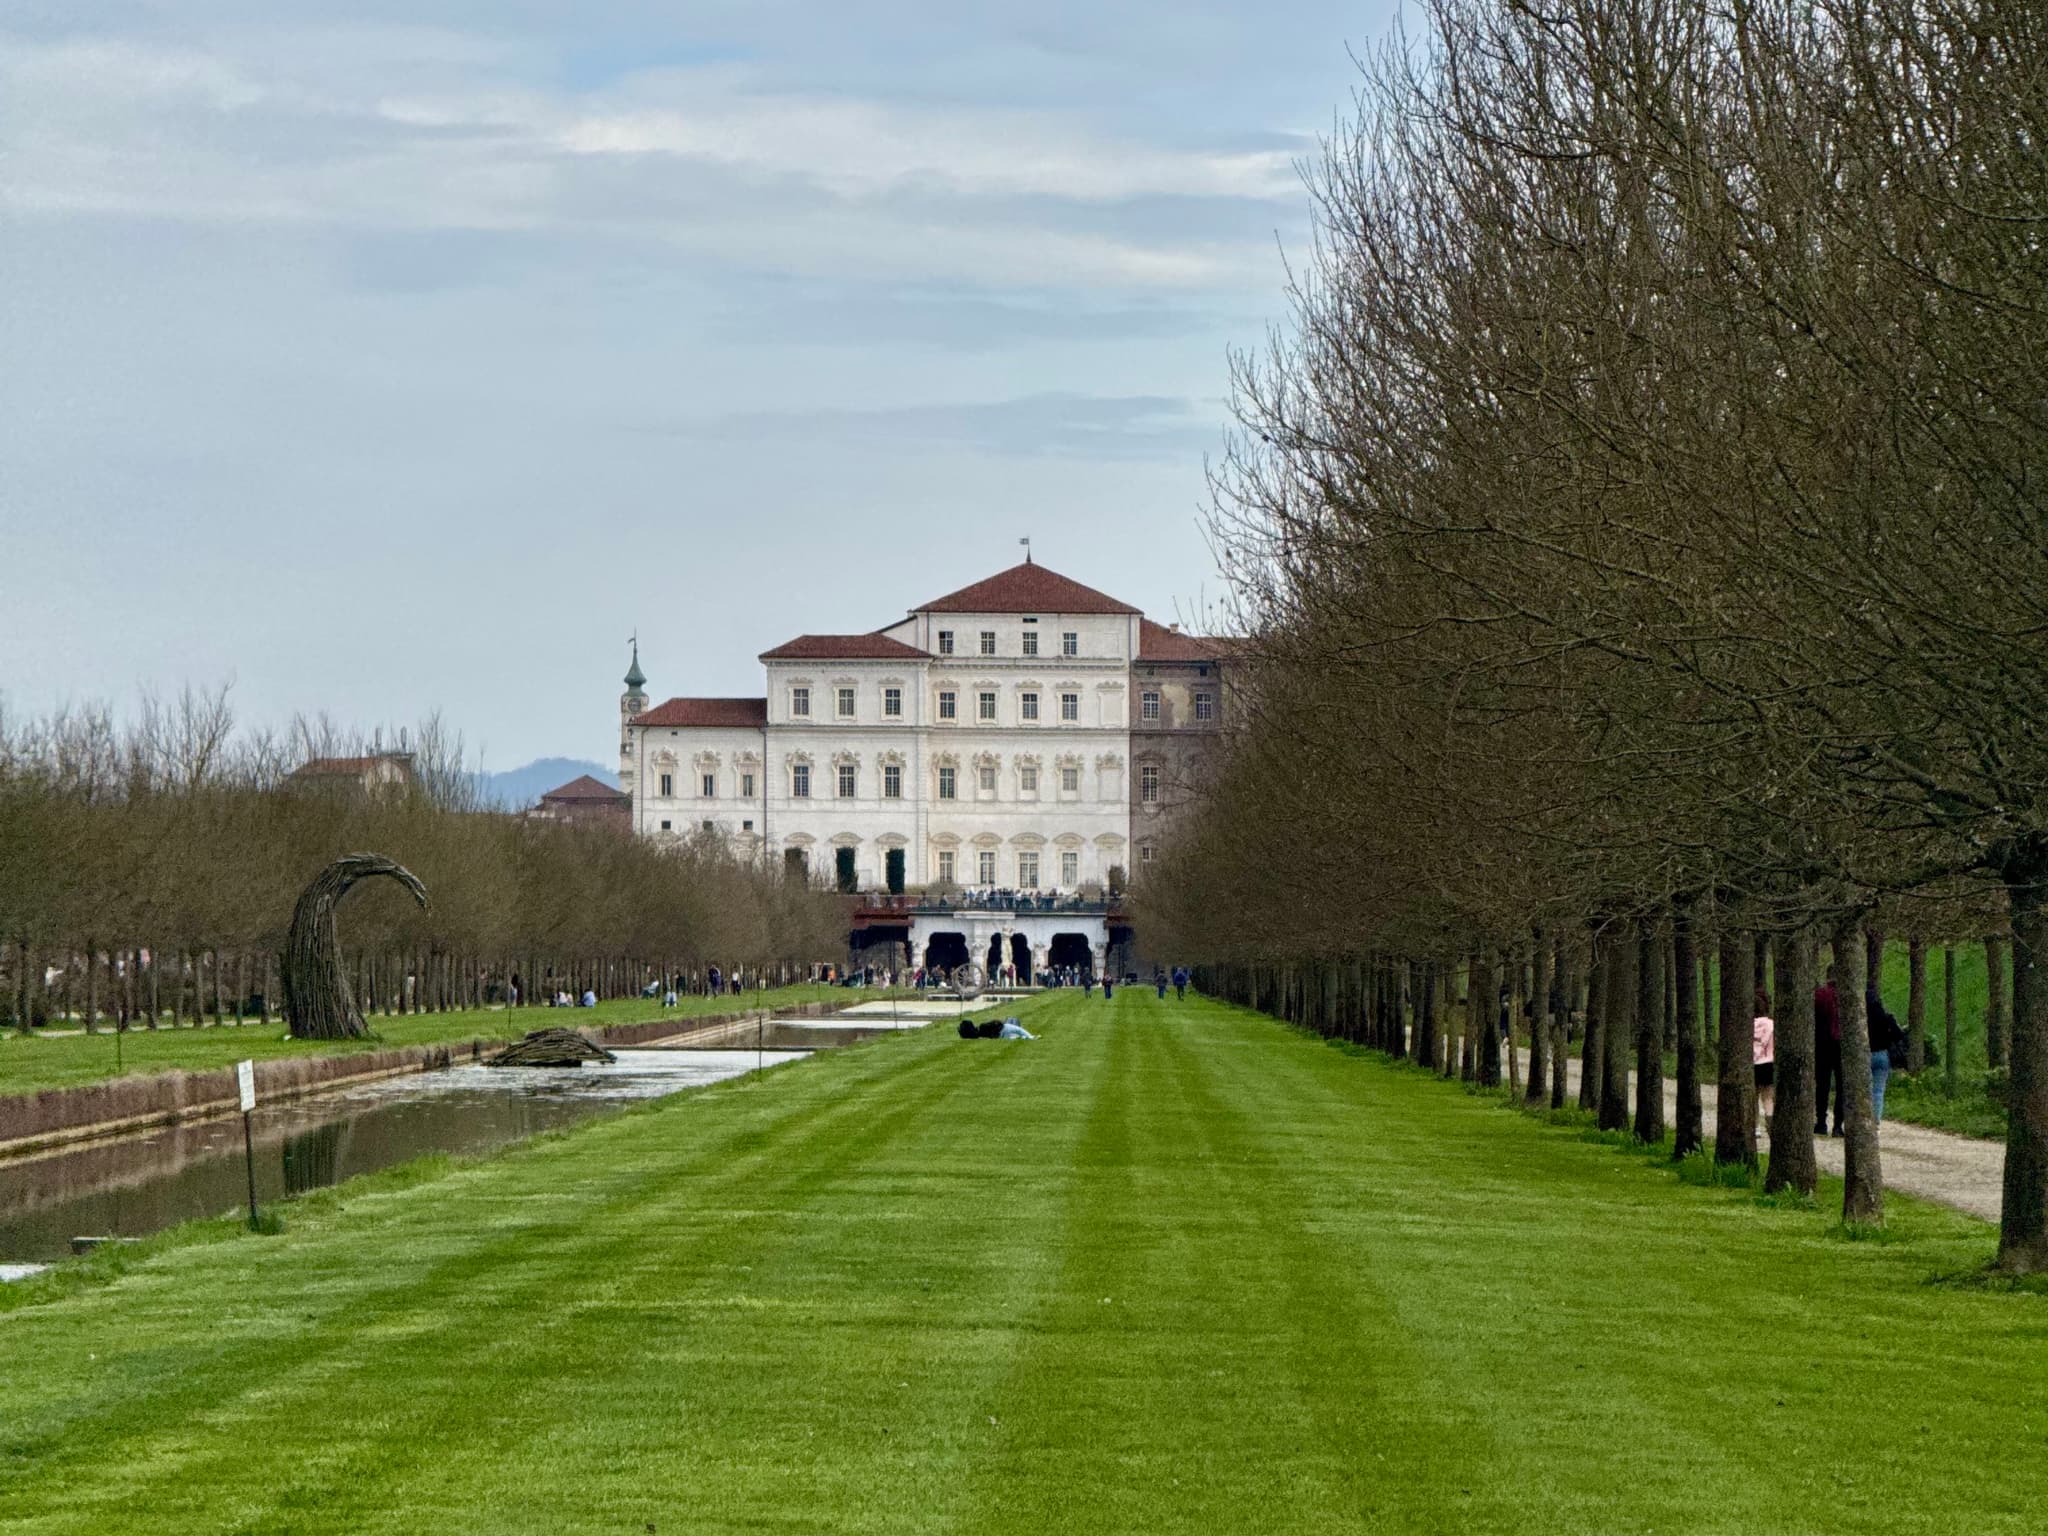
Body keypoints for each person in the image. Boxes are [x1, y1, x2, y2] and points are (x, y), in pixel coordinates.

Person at [1866, 981, 1904, 1122]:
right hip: (1882, 1054)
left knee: (1864, 1089)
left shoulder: (1862, 1019)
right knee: (1878, 1091)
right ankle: (1876, 1118)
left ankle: (1863, 1117)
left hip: (1864, 1055)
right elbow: (1899, 1035)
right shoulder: (1886, 1017)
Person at [1813, 977, 1843, 1136]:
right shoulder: (1848, 996)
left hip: (1822, 1045)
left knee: (1822, 1086)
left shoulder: (1820, 995)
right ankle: (1838, 1125)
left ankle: (1821, 1122)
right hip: (1842, 1046)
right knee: (1842, 1087)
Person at [1752, 989, 1776, 1140]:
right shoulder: (1771, 1025)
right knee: (1767, 1097)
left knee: (1752, 1097)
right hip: (1768, 1063)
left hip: (1753, 1064)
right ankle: (1771, 1124)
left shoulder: (1748, 1025)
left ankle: (1755, 1127)